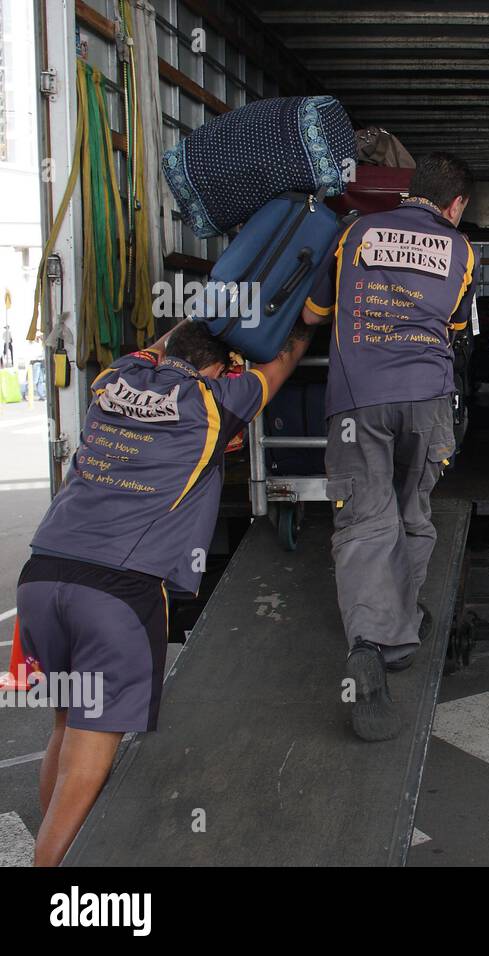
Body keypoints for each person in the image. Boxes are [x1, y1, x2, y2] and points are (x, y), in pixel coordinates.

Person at [15, 317, 318, 866]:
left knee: (63, 726)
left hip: (43, 574)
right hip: (117, 593)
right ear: (221, 368)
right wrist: (308, 321)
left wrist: (205, 312)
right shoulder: (215, 404)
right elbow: (284, 362)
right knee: (87, 762)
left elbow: (163, 347)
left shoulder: (116, 379)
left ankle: (54, 849)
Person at [301, 151, 476, 742]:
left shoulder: (355, 233)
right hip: (426, 398)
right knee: (412, 513)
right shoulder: (462, 250)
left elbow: (315, 311)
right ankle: (398, 632)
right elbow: (456, 329)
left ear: (409, 190)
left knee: (364, 522)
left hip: (357, 400)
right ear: (456, 205)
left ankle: (371, 643)